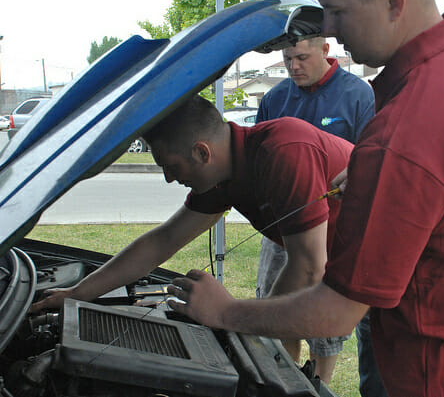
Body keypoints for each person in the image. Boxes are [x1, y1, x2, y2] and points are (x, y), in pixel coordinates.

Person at [166, 0, 444, 396]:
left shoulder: (405, 132)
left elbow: (336, 312)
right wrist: (384, 175)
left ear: (392, 0)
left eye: (336, 11)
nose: (328, 28)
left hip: (443, 375)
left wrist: (226, 312)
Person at [30, 95, 353, 360]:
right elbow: (164, 240)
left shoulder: (284, 151)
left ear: (202, 152)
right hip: (357, 267)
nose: (170, 178)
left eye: (171, 166)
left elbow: (309, 267)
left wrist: (233, 316)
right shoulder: (220, 176)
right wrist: (76, 293)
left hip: (392, 268)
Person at [256, 36, 379, 388]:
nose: (294, 66)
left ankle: (319, 385)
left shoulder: (358, 95)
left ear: (325, 50)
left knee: (324, 321)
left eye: (302, 57)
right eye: (287, 58)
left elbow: (367, 161)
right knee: (278, 307)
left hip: (334, 230)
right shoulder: (274, 98)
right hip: (281, 229)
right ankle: (284, 380)